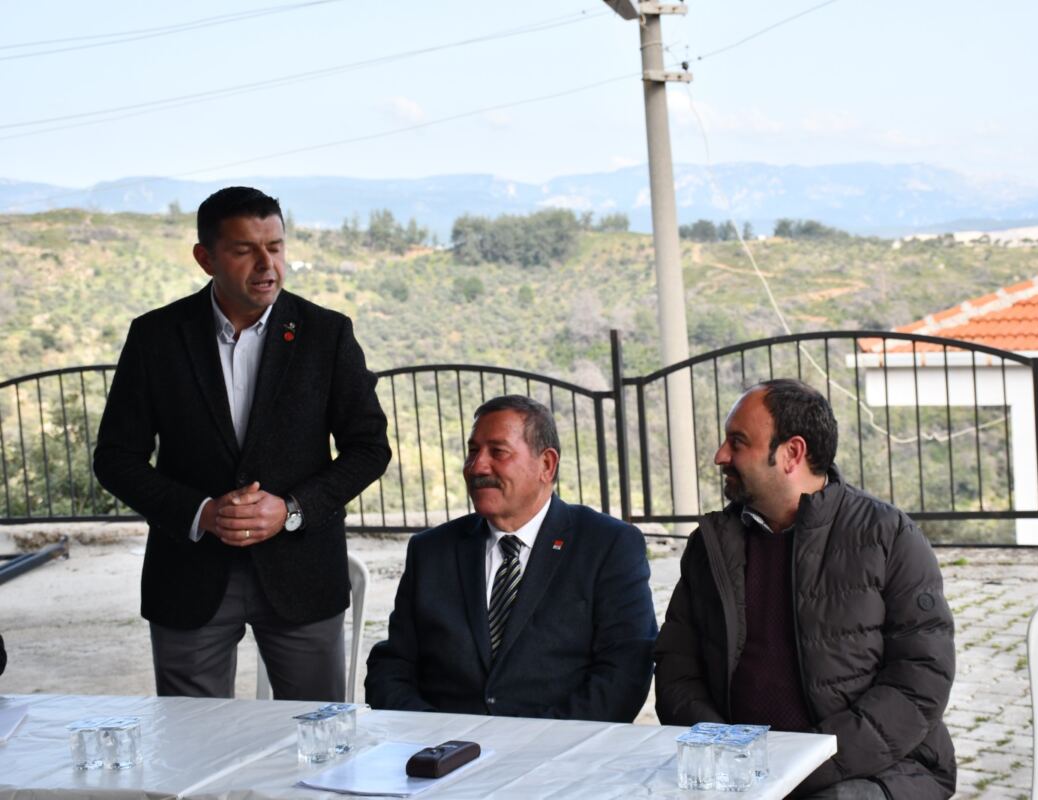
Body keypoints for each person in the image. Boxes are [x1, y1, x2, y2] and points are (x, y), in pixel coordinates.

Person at [93, 187, 390, 702]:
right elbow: (116, 458)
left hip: (302, 574)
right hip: (188, 576)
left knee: (317, 735)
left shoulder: (327, 333)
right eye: (244, 250)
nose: (267, 264)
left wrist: (291, 509)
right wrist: (202, 513)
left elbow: (369, 447)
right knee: (194, 741)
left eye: (275, 246)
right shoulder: (155, 336)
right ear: (205, 258)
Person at [654, 379, 956, 799]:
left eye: (737, 442)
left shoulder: (887, 535)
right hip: (738, 774)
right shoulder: (710, 547)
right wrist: (729, 754)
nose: (720, 455)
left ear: (791, 453)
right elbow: (676, 669)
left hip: (874, 770)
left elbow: (920, 680)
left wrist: (801, 764)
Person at [365, 395, 657, 721]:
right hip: (443, 745)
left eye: (498, 452)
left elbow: (624, 675)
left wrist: (532, 742)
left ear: (546, 465)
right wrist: (436, 734)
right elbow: (392, 665)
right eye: (473, 451)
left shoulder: (607, 545)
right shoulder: (431, 550)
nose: (477, 466)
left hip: (562, 746)